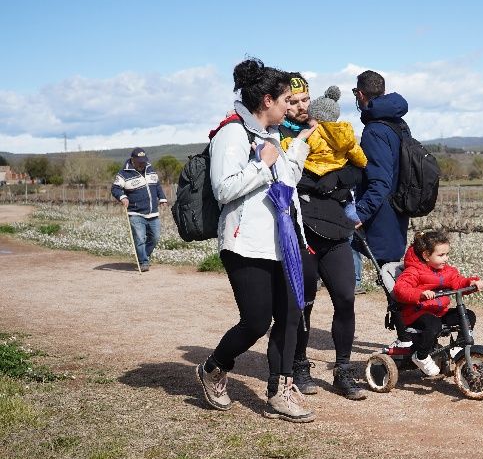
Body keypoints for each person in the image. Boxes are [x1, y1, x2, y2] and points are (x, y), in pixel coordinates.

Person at [195, 58, 317, 423]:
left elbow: (287, 183)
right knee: (256, 320)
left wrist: (297, 145)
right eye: (285, 101)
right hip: (245, 243)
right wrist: (261, 165)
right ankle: (214, 367)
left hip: (282, 240)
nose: (290, 107)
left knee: (290, 316)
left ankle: (281, 392)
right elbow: (224, 188)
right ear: (267, 100)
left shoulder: (272, 137)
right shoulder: (232, 133)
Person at [279, 79, 368, 400]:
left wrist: (339, 180)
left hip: (335, 226)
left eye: (305, 99)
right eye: (294, 100)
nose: (301, 106)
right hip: (301, 227)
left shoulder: (330, 127)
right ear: (282, 103)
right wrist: (316, 182)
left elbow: (357, 168)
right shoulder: (280, 134)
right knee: (304, 302)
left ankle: (343, 370)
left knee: (345, 297)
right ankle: (300, 364)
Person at [352, 70, 412, 344]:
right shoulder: (397, 123)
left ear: (361, 95)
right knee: (396, 273)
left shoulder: (374, 131)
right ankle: (411, 335)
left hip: (382, 214)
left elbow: (379, 182)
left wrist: (358, 214)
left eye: (356, 94)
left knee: (390, 276)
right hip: (398, 210)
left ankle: (410, 338)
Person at [392, 230, 483, 376]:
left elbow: (458, 282)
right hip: (417, 313)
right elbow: (400, 289)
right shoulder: (414, 271)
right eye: (441, 255)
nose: (446, 258)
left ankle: (459, 346)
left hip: (438, 311)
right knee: (433, 324)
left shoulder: (447, 271)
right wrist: (420, 294)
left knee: (468, 316)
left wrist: (471, 282)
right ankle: (421, 356)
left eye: (447, 254)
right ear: (426, 255)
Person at [111, 147, 168, 272]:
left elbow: (157, 185)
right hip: (135, 212)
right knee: (140, 239)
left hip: (153, 212)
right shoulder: (123, 174)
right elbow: (115, 188)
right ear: (133, 160)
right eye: (140, 162)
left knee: (155, 238)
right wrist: (122, 197)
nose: (142, 164)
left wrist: (162, 198)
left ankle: (144, 256)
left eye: (144, 161)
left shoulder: (150, 169)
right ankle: (143, 262)